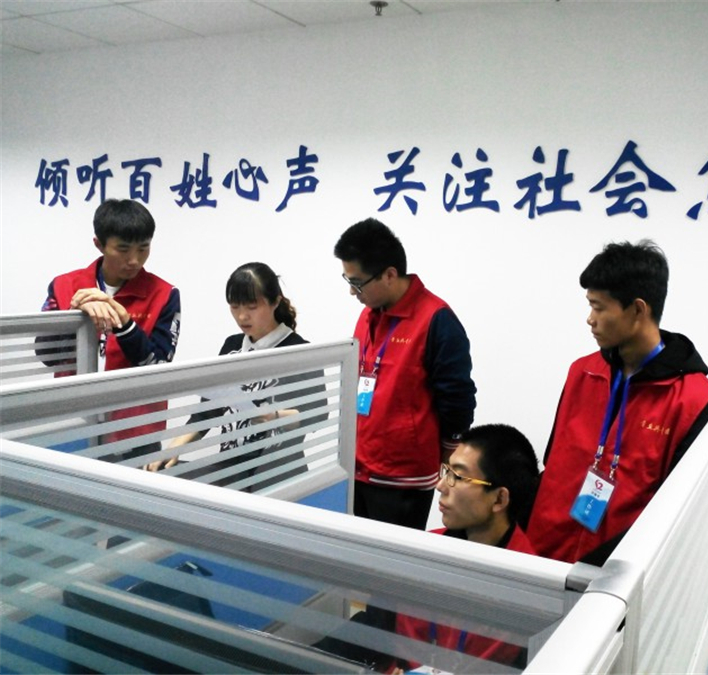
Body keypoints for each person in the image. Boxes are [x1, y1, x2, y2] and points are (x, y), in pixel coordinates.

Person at [526, 240, 708, 566]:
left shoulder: (695, 402)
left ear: (638, 310)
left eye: (599, 307)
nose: (590, 319)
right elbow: (552, 464)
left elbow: (678, 517)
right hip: (544, 558)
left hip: (615, 579)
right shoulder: (583, 372)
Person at [315, 424, 538, 673]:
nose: (441, 485)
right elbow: (374, 627)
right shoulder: (425, 551)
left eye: (458, 477)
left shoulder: (530, 592)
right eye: (447, 471)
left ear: (499, 499)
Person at [334, 218, 476, 530]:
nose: (352, 292)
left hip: (402, 478)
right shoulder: (368, 315)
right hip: (359, 466)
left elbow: (458, 398)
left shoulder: (436, 319)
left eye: (357, 283)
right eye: (347, 281)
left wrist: (447, 451)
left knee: (388, 559)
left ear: (389, 274)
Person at [146, 262, 325, 491]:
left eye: (252, 307)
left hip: (278, 476)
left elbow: (317, 416)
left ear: (275, 301)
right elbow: (207, 413)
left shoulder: (300, 352)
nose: (242, 316)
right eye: (234, 307)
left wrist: (275, 416)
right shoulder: (232, 347)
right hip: (232, 472)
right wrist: (174, 447)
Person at [39, 198, 180, 455]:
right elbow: (46, 356)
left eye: (143, 248)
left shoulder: (164, 294)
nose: (134, 260)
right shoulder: (64, 286)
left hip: (136, 431)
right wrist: (74, 318)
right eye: (123, 249)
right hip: (72, 423)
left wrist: (125, 324)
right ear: (99, 244)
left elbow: (159, 366)